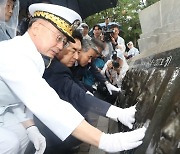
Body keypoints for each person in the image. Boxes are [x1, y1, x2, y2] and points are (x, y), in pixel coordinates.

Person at [0, 3, 146, 153]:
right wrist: (105, 140)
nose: (60, 46)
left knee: (22, 137)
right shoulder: (15, 55)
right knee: (11, 143)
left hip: (6, 113)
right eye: (58, 38)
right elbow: (47, 102)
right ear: (36, 28)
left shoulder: (34, 57)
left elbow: (16, 99)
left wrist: (30, 127)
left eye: (63, 41)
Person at [34, 30, 146, 153]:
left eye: (78, 51)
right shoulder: (55, 68)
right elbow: (76, 95)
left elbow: (76, 83)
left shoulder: (62, 65)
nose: (76, 56)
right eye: (73, 51)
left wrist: (99, 87)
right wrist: (106, 138)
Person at [0, 1, 45, 154]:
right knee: (10, 143)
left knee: (24, 133)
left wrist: (30, 126)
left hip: (5, 102)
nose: (11, 11)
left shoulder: (6, 33)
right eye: (8, 6)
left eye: (13, 6)